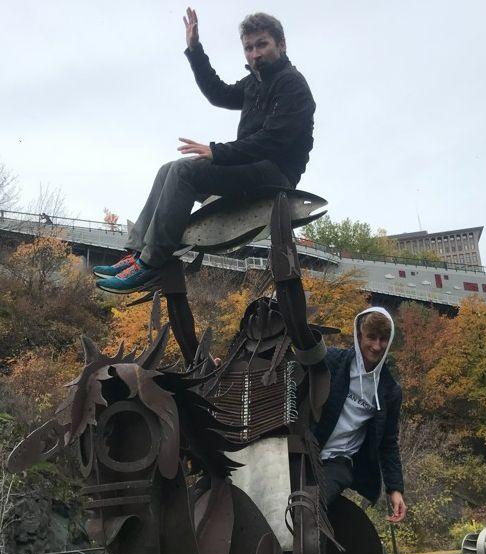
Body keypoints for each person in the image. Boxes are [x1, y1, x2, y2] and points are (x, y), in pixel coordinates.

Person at [94, 7, 315, 293]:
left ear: (281, 44)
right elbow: (218, 93)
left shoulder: (292, 85)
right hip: (249, 167)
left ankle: (152, 264)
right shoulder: (255, 82)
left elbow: (272, 141)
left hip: (275, 175)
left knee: (185, 171)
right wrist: (195, 49)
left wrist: (217, 152)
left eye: (262, 45)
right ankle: (138, 253)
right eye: (248, 48)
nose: (255, 54)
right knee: (169, 170)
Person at [314, 307, 407, 523]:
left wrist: (395, 489)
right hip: (307, 449)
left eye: (383, 339)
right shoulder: (332, 361)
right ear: (359, 336)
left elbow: (388, 442)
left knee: (311, 507)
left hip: (339, 463)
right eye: (371, 337)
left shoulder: (390, 390)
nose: (376, 346)